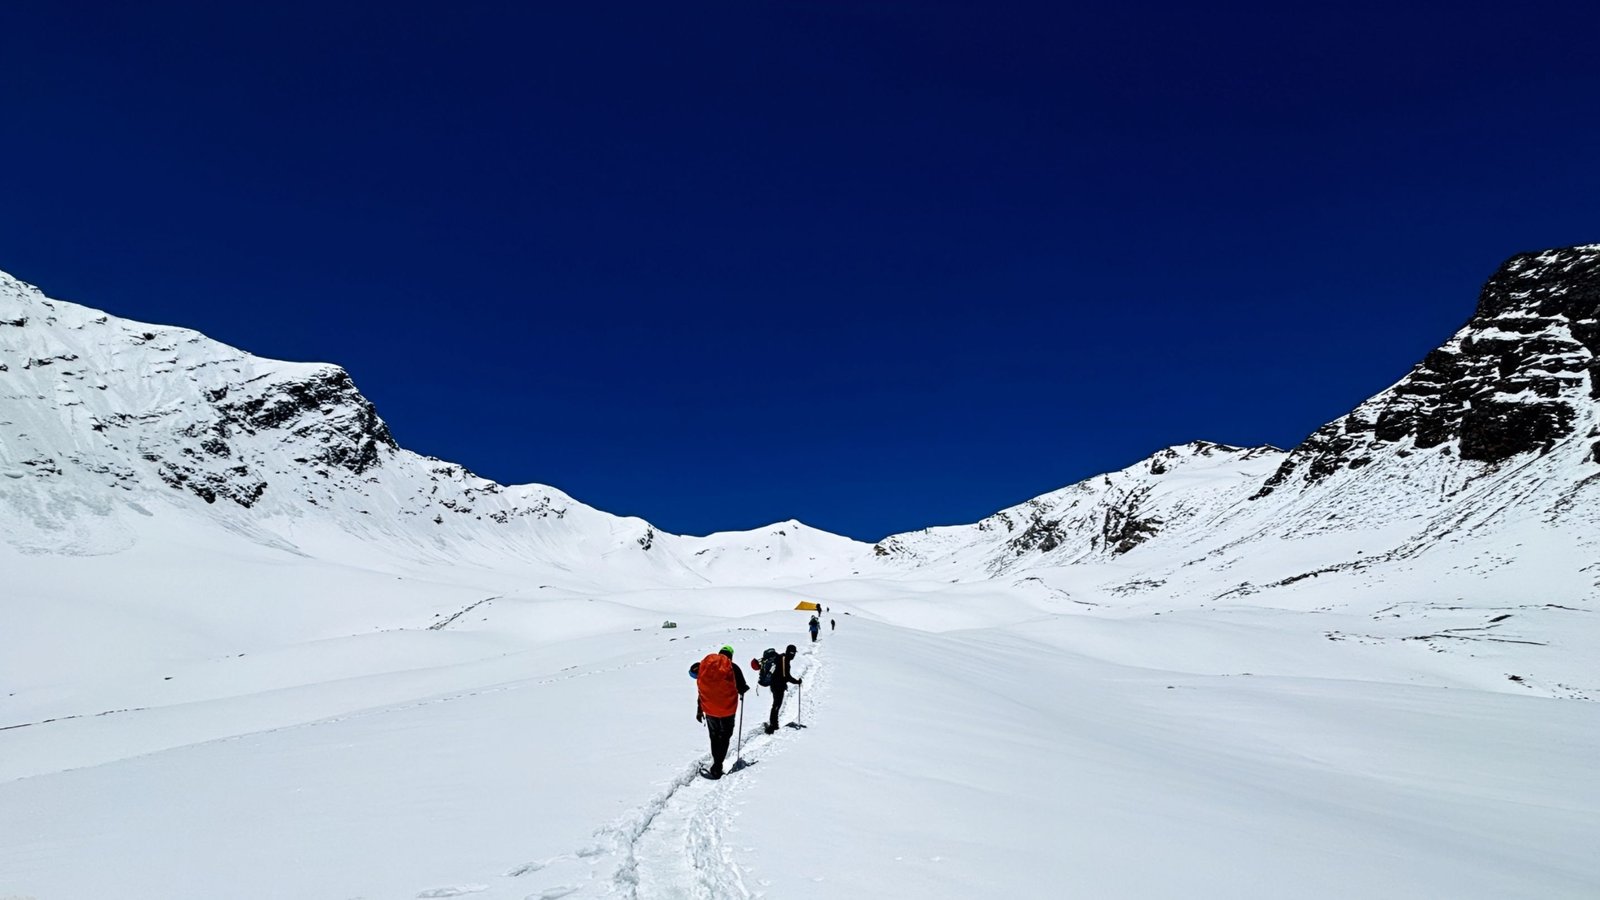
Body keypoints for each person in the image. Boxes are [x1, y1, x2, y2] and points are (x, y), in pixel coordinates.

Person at [694, 644, 749, 779]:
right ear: (730, 655)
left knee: (714, 736)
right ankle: (717, 765)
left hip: (710, 710)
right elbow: (742, 687)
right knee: (724, 737)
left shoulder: (706, 667)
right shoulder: (733, 667)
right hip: (727, 710)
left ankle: (716, 762)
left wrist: (700, 710)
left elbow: (703, 691)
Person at [765, 644, 801, 734]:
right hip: (778, 686)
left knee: (776, 704)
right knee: (776, 705)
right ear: (790, 652)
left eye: (794, 653)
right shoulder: (784, 660)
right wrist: (797, 682)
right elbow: (787, 676)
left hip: (775, 685)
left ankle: (774, 724)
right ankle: (773, 725)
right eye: (793, 653)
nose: (793, 655)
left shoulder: (782, 658)